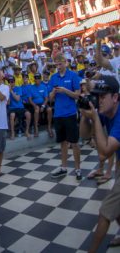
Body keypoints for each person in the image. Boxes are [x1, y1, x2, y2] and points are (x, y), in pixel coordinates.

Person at [81, 76, 120, 252]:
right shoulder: (107, 113)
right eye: (98, 96)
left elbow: (104, 154)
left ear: (115, 97)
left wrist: (95, 118)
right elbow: (84, 135)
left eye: (103, 96)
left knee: (105, 211)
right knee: (117, 208)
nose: (99, 100)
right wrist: (84, 116)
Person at [48, 53, 83, 180]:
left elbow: (77, 95)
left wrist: (65, 91)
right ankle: (63, 168)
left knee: (74, 143)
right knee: (62, 143)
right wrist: (53, 92)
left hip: (70, 114)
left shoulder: (73, 75)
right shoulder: (53, 77)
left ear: (66, 63)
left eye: (60, 63)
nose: (58, 66)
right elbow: (50, 98)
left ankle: (78, 169)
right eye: (56, 64)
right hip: (58, 114)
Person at [7, 76, 28, 140]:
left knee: (28, 114)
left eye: (12, 81)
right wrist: (8, 92)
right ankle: (12, 133)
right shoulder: (6, 90)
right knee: (12, 115)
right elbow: (8, 103)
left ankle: (27, 131)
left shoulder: (18, 88)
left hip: (20, 107)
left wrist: (11, 91)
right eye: (10, 82)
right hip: (12, 108)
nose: (11, 83)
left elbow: (18, 99)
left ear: (14, 82)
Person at [28, 73, 49, 137]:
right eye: (36, 78)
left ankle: (49, 127)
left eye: (38, 78)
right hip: (35, 104)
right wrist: (35, 105)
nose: (37, 80)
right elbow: (30, 99)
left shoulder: (44, 87)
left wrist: (43, 106)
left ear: (40, 79)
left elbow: (46, 99)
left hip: (43, 103)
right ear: (34, 79)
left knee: (50, 109)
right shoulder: (31, 87)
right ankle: (36, 128)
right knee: (36, 110)